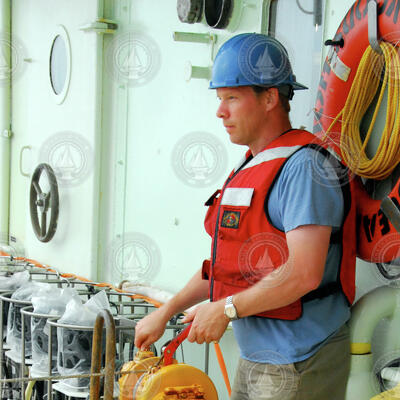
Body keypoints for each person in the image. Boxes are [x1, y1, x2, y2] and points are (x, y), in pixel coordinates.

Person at [135, 33, 355, 400]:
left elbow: (304, 272)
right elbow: (227, 266)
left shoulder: (303, 169)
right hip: (257, 356)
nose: (220, 111)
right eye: (219, 99)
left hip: (299, 359)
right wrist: (168, 311)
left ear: (270, 98)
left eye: (232, 98)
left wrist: (224, 309)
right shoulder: (251, 164)